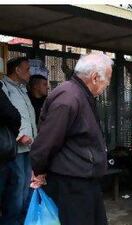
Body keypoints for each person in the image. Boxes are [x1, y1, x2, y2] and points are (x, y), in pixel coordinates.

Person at [29, 53, 113, 225]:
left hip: (84, 179)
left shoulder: (81, 94)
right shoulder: (68, 97)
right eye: (108, 80)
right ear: (95, 77)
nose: (108, 84)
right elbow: (47, 141)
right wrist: (39, 170)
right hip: (72, 182)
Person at [0, 57, 37, 225]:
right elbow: (6, 116)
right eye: (27, 69)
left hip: (28, 148)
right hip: (15, 149)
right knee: (16, 192)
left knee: (25, 189)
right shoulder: (4, 87)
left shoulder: (23, 90)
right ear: (17, 70)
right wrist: (19, 135)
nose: (30, 73)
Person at [27, 59, 49, 125]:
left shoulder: (48, 101)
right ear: (35, 86)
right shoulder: (26, 100)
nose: (47, 87)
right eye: (44, 84)